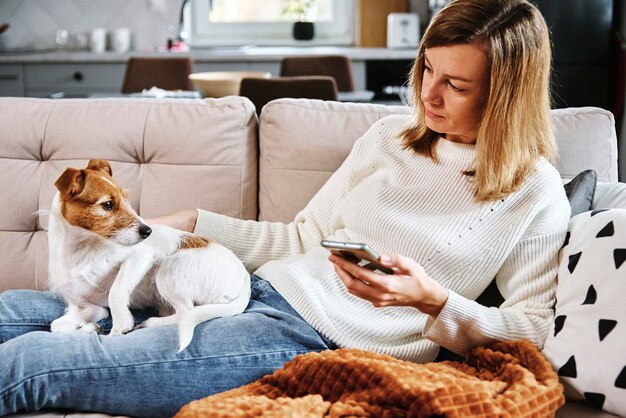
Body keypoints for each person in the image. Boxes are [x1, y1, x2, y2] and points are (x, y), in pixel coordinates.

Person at [0, 0, 570, 416]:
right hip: (249, 288)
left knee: (34, 364)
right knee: (12, 311)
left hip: (304, 339)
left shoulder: (534, 193)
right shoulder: (389, 138)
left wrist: (433, 301)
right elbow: (301, 239)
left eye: (457, 85)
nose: (428, 94)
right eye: (426, 69)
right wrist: (191, 224)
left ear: (506, 94)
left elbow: (532, 329)